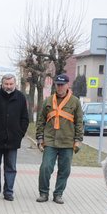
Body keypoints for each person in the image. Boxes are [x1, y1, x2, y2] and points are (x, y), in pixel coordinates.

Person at [35, 73, 83, 204]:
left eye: (62, 85)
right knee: (45, 168)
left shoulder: (75, 102)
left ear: (68, 85)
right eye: (58, 85)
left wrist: (78, 140)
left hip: (67, 141)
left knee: (64, 170)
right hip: (50, 140)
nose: (60, 87)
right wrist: (40, 138)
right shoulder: (48, 100)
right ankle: (43, 193)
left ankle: (58, 194)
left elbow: (79, 122)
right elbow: (41, 121)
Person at [0, 73, 29, 201]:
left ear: (15, 84)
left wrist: (20, 134)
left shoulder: (20, 98)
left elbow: (25, 118)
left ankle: (8, 192)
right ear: (2, 84)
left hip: (13, 140)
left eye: (11, 84)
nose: (8, 86)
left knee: (11, 168)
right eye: (6, 84)